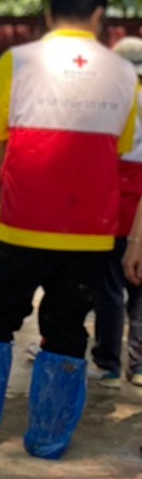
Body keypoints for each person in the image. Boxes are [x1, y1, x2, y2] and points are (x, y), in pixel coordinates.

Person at [0, 0, 137, 459]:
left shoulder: (18, 60)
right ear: (98, 17)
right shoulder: (124, 73)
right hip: (89, 233)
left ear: (48, 14)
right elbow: (121, 148)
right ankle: (48, 439)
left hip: (22, 223)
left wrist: (5, 181)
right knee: (67, 328)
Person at [90, 36, 142, 387]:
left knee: (108, 288)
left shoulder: (113, 99)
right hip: (138, 209)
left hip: (112, 205)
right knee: (139, 290)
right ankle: (138, 366)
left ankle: (107, 362)